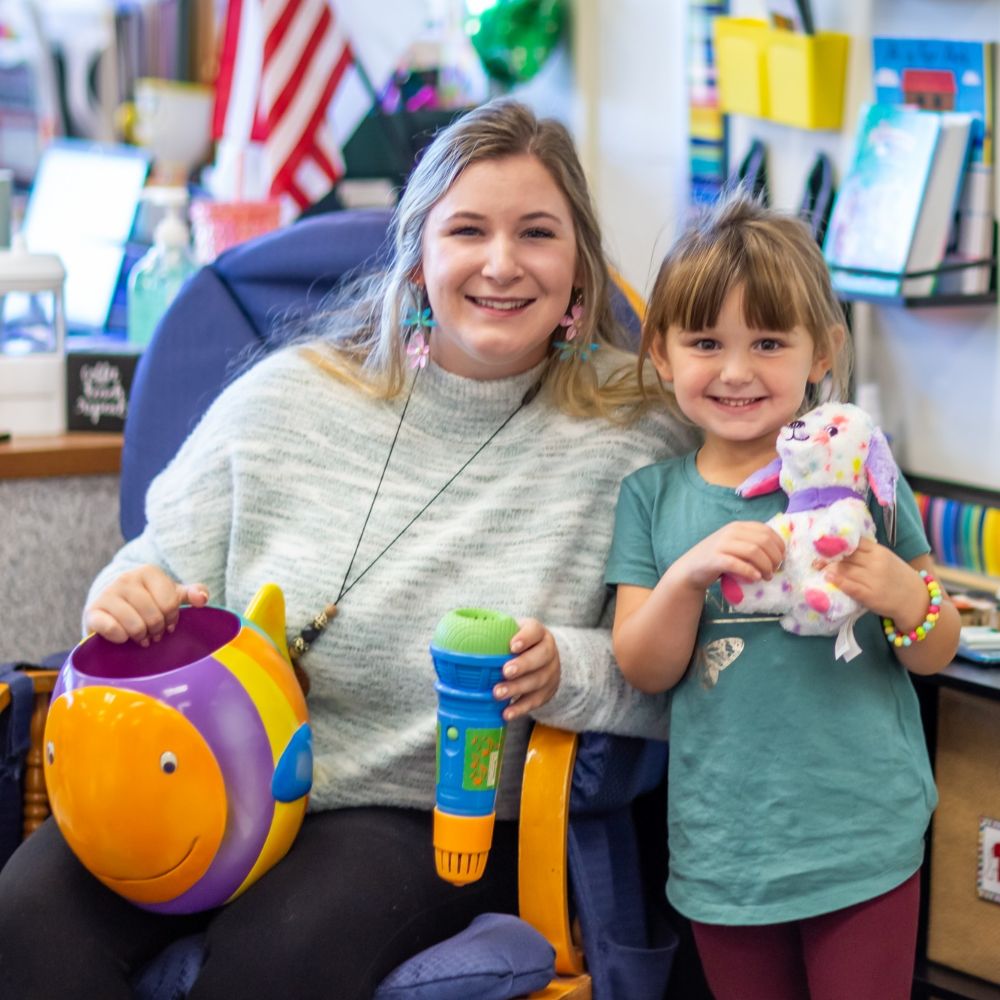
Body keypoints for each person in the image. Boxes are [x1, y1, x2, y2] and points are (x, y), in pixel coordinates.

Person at [0, 100, 693, 1000]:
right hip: (202, 777)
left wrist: (570, 670)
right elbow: (149, 566)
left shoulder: (638, 432)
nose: (501, 262)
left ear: (580, 272)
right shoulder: (286, 398)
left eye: (537, 233)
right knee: (22, 922)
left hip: (413, 813)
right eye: (467, 230)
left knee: (277, 958)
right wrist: (125, 598)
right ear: (416, 258)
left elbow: (688, 679)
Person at [605, 194, 960, 1000]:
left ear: (822, 351)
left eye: (768, 342)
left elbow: (935, 648)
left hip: (863, 835)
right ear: (661, 353)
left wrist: (904, 593)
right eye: (706, 342)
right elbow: (643, 666)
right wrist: (687, 575)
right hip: (726, 850)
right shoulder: (651, 498)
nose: (736, 370)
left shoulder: (862, 475)